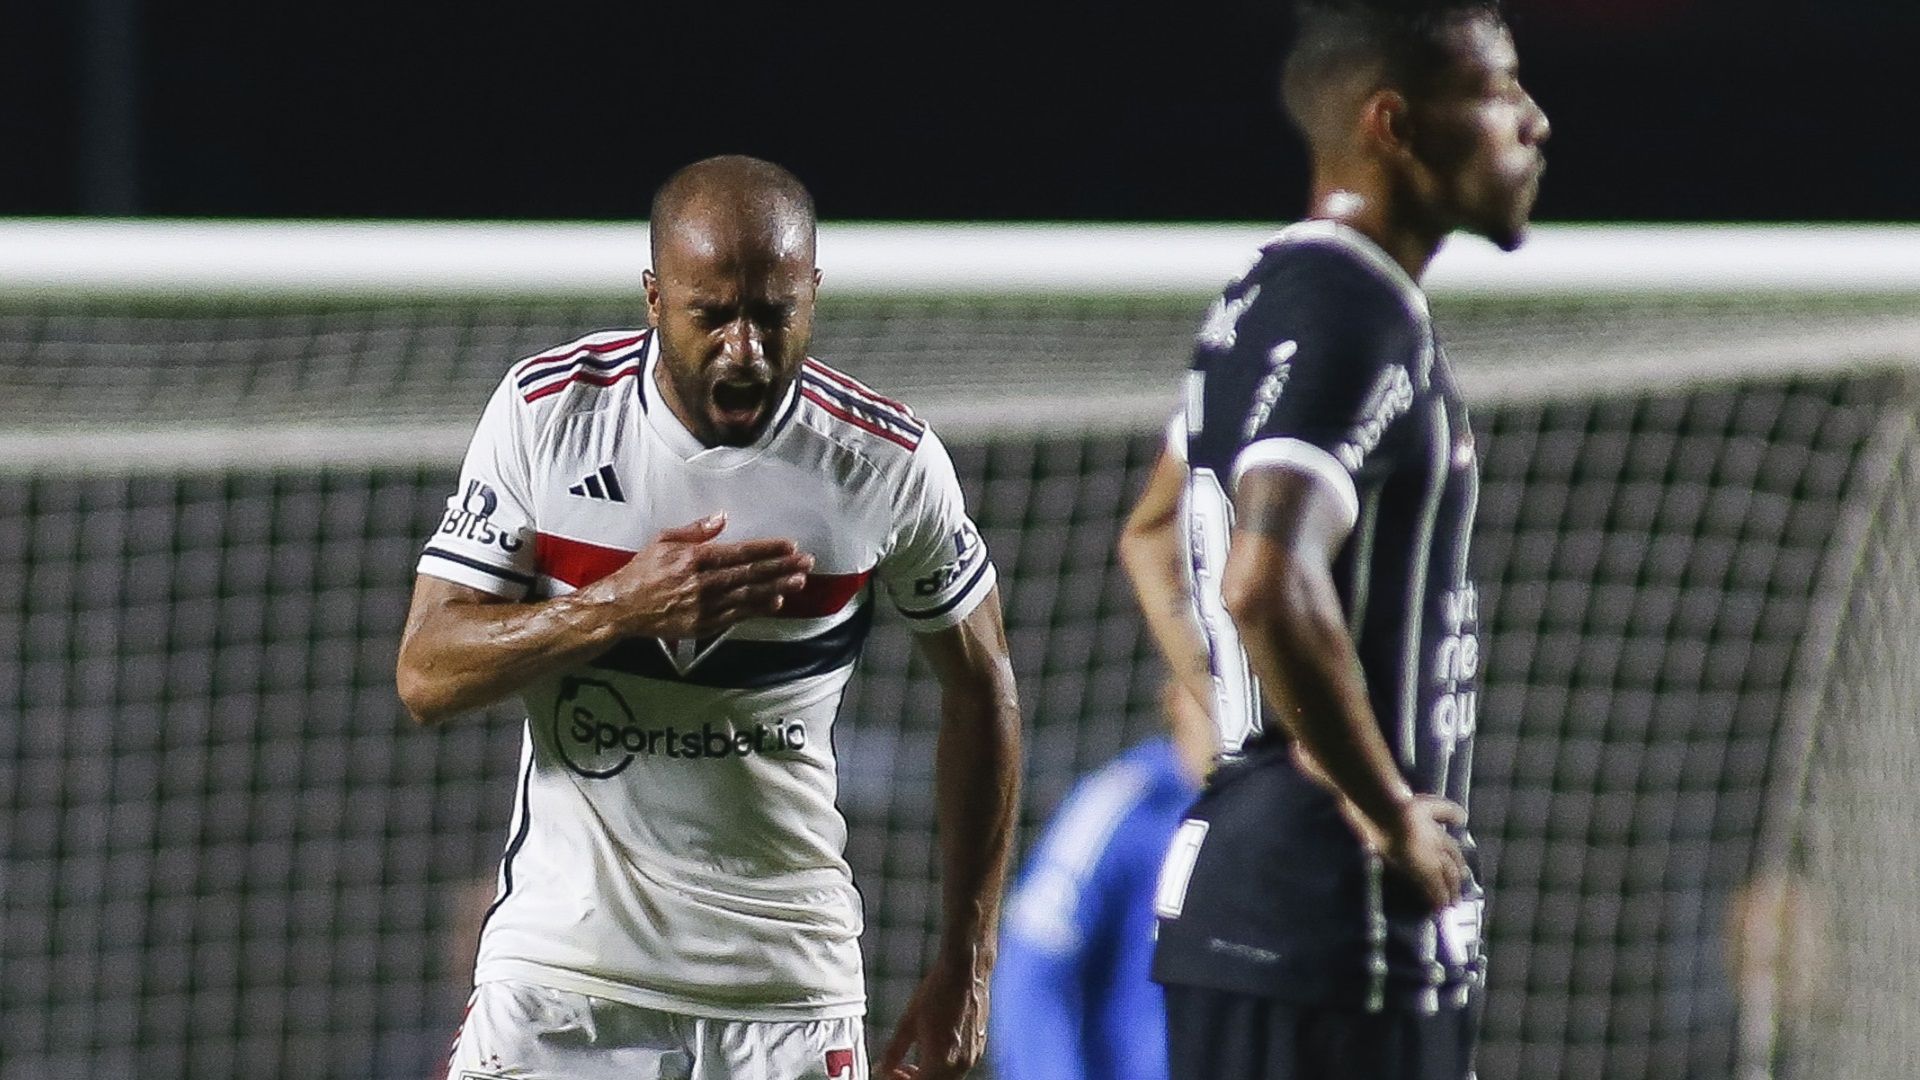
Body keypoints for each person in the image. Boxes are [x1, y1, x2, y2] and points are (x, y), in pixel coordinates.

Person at [395, 155, 1021, 1080]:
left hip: (785, 993)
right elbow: (426, 673)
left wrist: (969, 959)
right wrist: (615, 607)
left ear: (813, 294)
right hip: (564, 979)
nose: (744, 348)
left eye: (773, 314)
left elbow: (985, 692)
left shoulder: (883, 463)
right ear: (654, 297)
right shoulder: (551, 414)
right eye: (712, 315)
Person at [1119, 2, 1549, 1078]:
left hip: (1262, 899)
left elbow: (1155, 532)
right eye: (1497, 91)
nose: (1532, 121)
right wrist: (1385, 806)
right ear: (1394, 125)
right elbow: (1264, 580)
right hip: (1330, 925)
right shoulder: (1356, 309)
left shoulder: (1267, 295)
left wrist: (1247, 725)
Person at [988, 685, 1211, 1080]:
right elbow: (1030, 968)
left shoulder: (1288, 816)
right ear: (1175, 699)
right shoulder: (1123, 803)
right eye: (1212, 703)